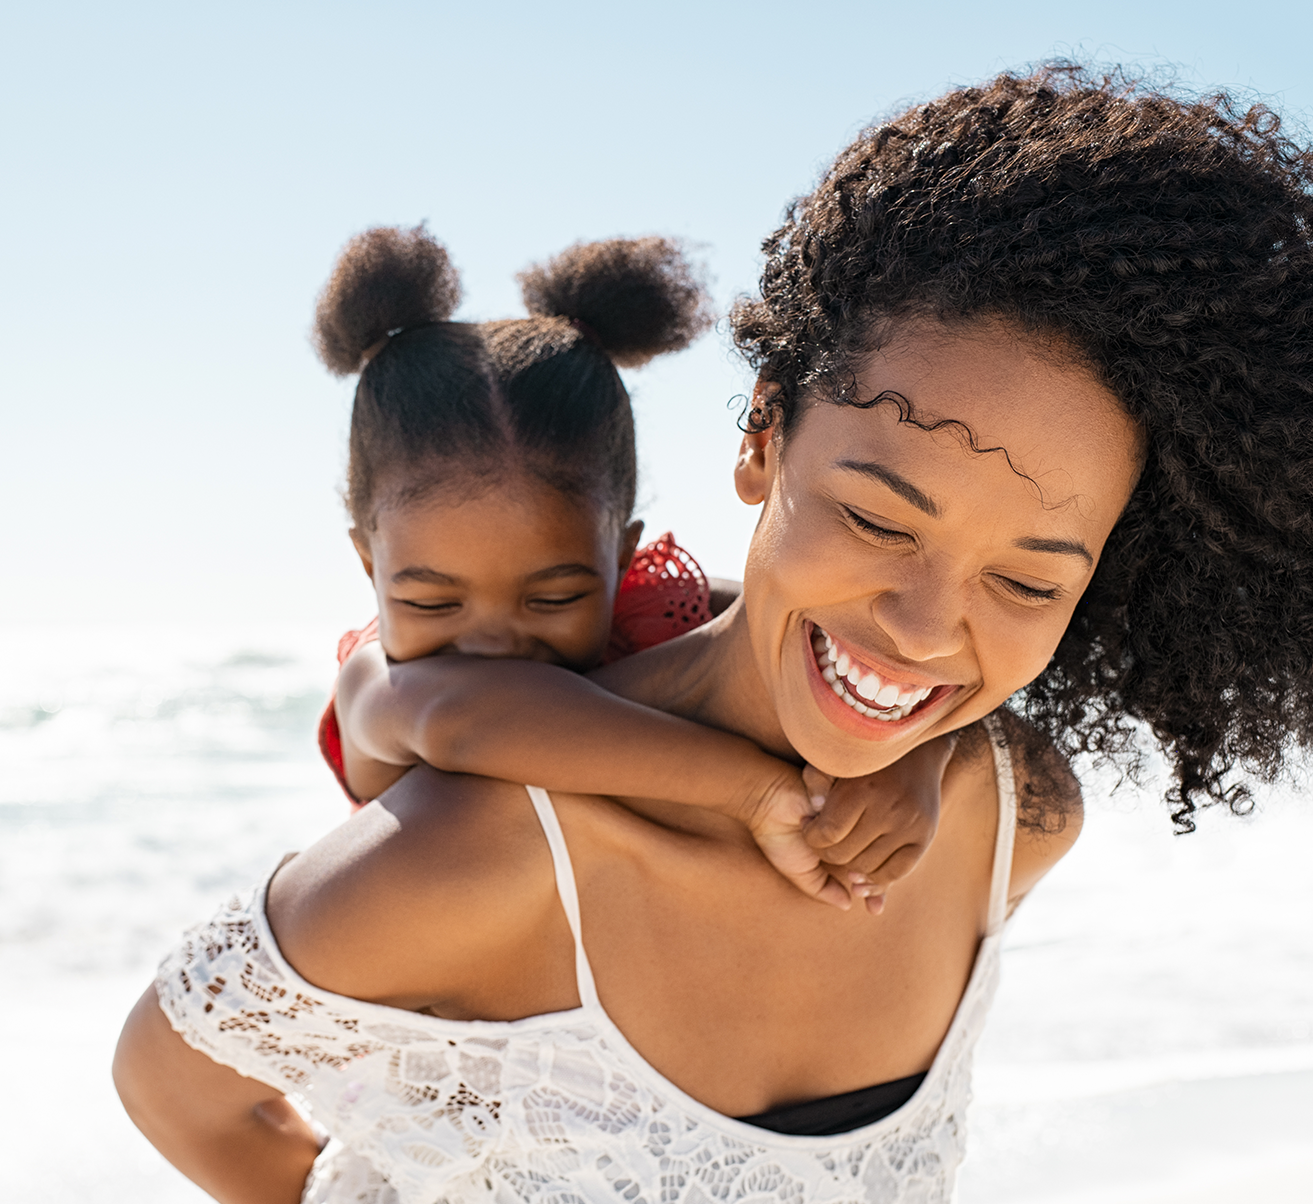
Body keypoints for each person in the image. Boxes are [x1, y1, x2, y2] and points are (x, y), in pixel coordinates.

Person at [112, 63, 1313, 1204]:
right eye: (877, 518)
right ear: (759, 438)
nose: (929, 625)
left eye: (1031, 576)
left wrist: (931, 755)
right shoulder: (479, 853)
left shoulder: (1014, 819)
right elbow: (178, 1087)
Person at [309, 226, 949, 908]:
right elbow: (464, 716)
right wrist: (756, 792)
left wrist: (919, 754)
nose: (493, 642)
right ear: (368, 562)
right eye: (435, 604)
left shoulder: (650, 605)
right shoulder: (375, 685)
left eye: (552, 598)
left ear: (621, 553)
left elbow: (840, 634)